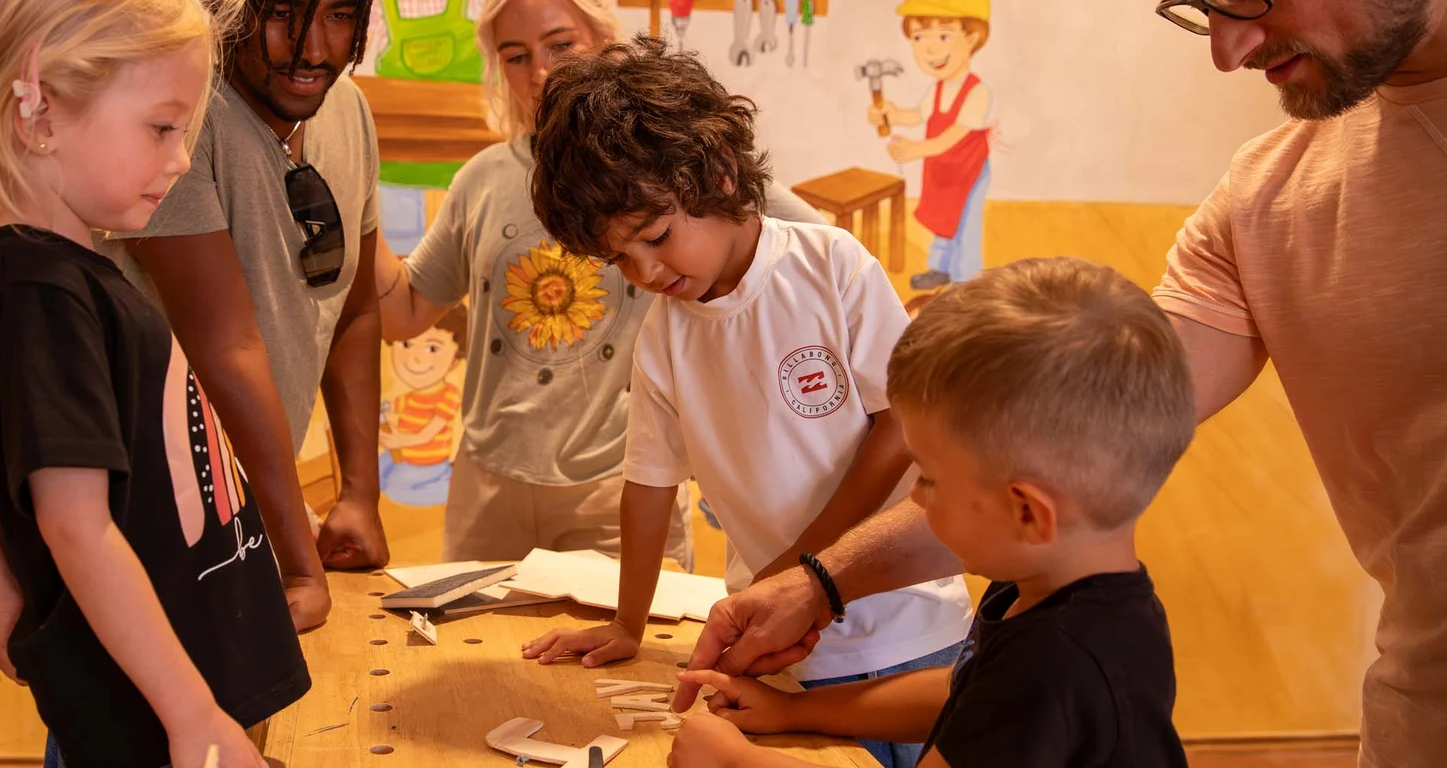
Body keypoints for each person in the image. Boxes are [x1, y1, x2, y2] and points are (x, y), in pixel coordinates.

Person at [677, 3, 1447, 765]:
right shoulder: (1048, 596)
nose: (1226, 49)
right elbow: (1068, 441)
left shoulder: (1066, 642)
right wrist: (817, 592)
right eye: (1200, 9)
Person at [518, 37, 973, 768]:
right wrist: (629, 623)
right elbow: (648, 482)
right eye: (620, 260)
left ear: (719, 174)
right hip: (780, 654)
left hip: (912, 632)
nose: (646, 271)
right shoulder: (665, 337)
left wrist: (799, 568)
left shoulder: (832, 266)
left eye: (658, 237)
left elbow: (902, 429)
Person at [0, 0, 308, 765]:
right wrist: (190, 717)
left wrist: (12, 591)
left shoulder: (56, 278)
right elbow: (75, 523)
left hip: (168, 701)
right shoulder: (39, 289)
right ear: (39, 116)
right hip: (151, 720)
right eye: (161, 128)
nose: (181, 158)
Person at [668, 258, 1191, 768]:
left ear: (1028, 513)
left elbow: (1001, 697)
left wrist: (736, 762)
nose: (915, 499)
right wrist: (794, 709)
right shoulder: (1067, 595)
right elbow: (965, 692)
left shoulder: (1056, 665)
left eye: (931, 479)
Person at [372, 0, 823, 569]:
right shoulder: (480, 180)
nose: (541, 71)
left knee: (634, 653)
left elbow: (811, 249)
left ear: (604, 41)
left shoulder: (663, 165)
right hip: (488, 488)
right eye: (517, 57)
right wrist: (358, 203)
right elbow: (404, 313)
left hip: (623, 488)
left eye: (561, 46)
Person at [99, 0, 393, 576]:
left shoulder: (350, 109)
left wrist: (359, 495)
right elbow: (224, 347)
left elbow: (354, 310)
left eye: (338, 16)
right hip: (147, 511)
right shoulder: (184, 116)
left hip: (251, 509)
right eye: (281, 13)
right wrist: (297, 561)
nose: (311, 49)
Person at [870, 0, 993, 290]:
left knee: (965, 224)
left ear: (972, 38)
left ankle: (965, 280)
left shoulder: (977, 93)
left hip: (969, 171)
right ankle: (940, 267)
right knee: (942, 218)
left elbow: (951, 138)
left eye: (943, 36)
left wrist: (914, 150)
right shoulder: (937, 89)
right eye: (918, 37)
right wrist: (889, 113)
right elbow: (917, 116)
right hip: (942, 170)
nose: (929, 48)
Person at [378, 308, 465, 507]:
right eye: (407, 344)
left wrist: (400, 439)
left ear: (455, 359)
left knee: (396, 489)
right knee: (372, 474)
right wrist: (386, 422)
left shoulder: (449, 395)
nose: (415, 358)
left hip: (429, 464)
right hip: (403, 458)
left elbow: (427, 435)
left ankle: (446, 483)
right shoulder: (409, 398)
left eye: (432, 348)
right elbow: (388, 411)